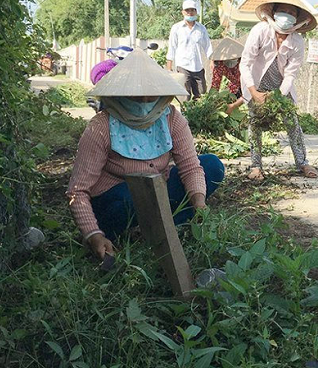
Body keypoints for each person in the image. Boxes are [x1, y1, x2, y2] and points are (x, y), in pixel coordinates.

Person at [67, 49, 225, 259]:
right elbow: (78, 191)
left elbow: (190, 166)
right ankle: (124, 232)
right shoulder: (102, 126)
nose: (143, 100)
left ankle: (154, 228)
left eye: (150, 93)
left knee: (211, 166)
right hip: (118, 201)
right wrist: (93, 234)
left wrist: (198, 202)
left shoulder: (171, 119)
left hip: (157, 190)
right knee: (134, 199)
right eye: (135, 94)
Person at [231, 0, 318, 181]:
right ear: (274, 13)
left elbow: (291, 74)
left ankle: (302, 162)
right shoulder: (260, 31)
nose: (287, 15)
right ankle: (256, 166)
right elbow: (245, 63)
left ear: (297, 19)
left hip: (281, 89)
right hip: (257, 84)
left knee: (292, 122)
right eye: (283, 11)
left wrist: (278, 96)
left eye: (292, 13)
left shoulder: (297, 41)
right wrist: (254, 92)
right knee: (255, 124)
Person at [166, 0, 213, 99]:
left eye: (192, 10)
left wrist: (211, 60)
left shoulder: (201, 28)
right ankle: (184, 114)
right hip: (183, 65)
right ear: (183, 12)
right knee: (185, 94)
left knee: (201, 93)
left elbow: (207, 45)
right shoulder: (177, 28)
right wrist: (169, 67)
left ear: (196, 12)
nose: (190, 13)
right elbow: (172, 47)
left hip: (198, 66)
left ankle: (198, 113)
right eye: (187, 10)